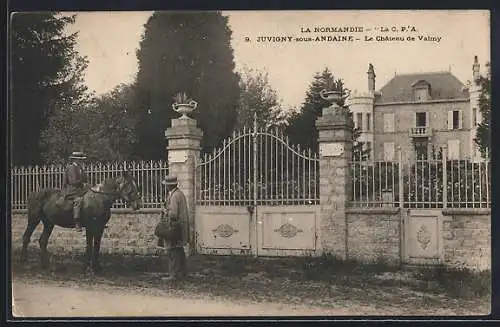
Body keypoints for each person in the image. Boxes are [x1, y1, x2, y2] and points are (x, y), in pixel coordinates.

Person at [155, 175, 189, 280]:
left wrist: (165, 211)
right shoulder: (179, 194)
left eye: (166, 185)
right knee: (179, 250)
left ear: (170, 186)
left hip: (174, 227)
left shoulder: (174, 196)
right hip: (180, 226)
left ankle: (173, 274)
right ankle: (181, 272)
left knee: (172, 250)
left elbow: (173, 214)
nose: (165, 187)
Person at [62, 151, 88, 232]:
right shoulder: (70, 168)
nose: (81, 161)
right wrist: (82, 183)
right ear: (75, 160)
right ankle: (77, 222)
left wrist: (86, 183)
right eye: (80, 160)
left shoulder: (80, 168)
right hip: (71, 190)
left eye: (81, 160)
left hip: (80, 189)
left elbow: (85, 179)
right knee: (78, 200)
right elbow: (73, 181)